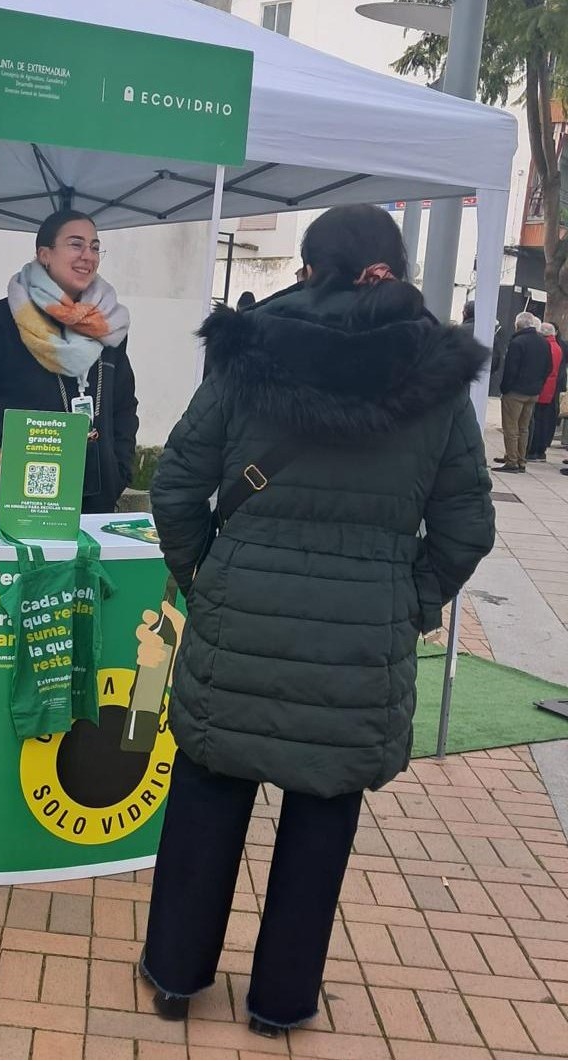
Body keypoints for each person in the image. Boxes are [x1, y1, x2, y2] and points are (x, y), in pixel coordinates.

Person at [139, 204, 495, 1038]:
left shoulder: (245, 351)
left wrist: (206, 577)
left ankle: (176, 978)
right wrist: (408, 602)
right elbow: (467, 526)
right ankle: (279, 1004)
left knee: (206, 793)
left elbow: (176, 489)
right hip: (357, 647)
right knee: (322, 815)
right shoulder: (435, 378)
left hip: (237, 629)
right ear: (390, 270)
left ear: (309, 266)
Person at [0, 210, 138, 514]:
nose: (87, 256)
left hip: (96, 495)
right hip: (26, 491)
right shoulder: (1, 322)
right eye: (76, 244)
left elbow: (123, 404)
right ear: (45, 255)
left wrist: (119, 467)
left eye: (94, 246)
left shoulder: (107, 325)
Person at [496, 311, 551, 473]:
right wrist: (539, 385)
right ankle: (521, 460)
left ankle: (512, 460)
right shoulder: (543, 342)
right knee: (524, 427)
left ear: (517, 325)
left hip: (515, 392)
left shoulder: (517, 342)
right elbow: (548, 368)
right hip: (533, 392)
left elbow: (510, 369)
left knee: (511, 427)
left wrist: (505, 388)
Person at [526, 322, 565, 462]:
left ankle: (535, 449)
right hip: (550, 388)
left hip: (543, 388)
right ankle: (540, 450)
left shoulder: (546, 346)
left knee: (538, 420)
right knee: (544, 420)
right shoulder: (557, 346)